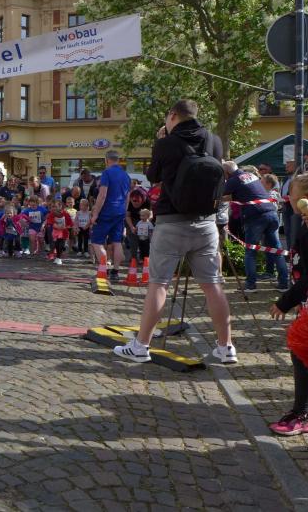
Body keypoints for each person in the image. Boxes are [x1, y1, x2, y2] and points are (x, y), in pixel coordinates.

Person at [114, 99, 236, 364]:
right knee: (212, 285)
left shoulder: (167, 143)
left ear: (172, 116)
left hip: (172, 221)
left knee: (159, 283)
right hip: (206, 223)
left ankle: (141, 346)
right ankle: (226, 347)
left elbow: (153, 176)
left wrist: (160, 142)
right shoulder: (214, 140)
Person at [267, 171, 308, 438]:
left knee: (303, 353)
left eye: (292, 192)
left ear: (307, 198)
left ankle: (301, 414)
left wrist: (285, 301)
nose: (288, 196)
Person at [223, 161, 289, 292]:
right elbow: (245, 194)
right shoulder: (251, 175)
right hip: (271, 213)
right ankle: (283, 284)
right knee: (277, 250)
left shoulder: (233, 179)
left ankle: (250, 285)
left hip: (255, 217)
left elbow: (219, 193)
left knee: (250, 252)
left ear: (227, 172)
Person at [90, 151, 132, 281]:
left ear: (106, 160)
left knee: (96, 241)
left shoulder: (106, 173)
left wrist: (95, 214)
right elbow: (127, 197)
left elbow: (102, 195)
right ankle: (115, 272)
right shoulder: (126, 175)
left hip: (106, 211)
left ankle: (103, 270)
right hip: (120, 212)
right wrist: (123, 212)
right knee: (117, 242)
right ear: (117, 160)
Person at [124, 187, 149, 264]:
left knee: (143, 240)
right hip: (131, 219)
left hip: (143, 220)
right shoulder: (129, 201)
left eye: (138, 201)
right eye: (133, 201)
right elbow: (127, 215)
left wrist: (144, 223)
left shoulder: (147, 201)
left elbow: (150, 214)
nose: (135, 203)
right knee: (132, 239)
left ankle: (144, 258)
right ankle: (133, 257)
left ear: (142, 200)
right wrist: (131, 227)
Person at [45, 199, 72, 265]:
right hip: (55, 232)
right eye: (52, 207)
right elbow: (51, 222)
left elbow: (70, 223)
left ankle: (59, 258)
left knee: (61, 244)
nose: (53, 208)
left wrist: (67, 227)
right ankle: (57, 257)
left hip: (64, 232)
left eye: (55, 206)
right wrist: (59, 227)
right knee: (56, 244)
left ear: (60, 206)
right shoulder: (51, 214)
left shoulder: (65, 214)